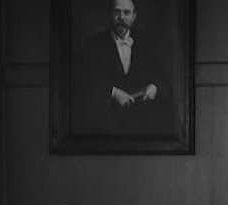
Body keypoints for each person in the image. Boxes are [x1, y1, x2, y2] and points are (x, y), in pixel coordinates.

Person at [71, 0, 173, 135]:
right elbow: (85, 81)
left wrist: (155, 87)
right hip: (106, 121)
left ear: (134, 16)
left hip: (142, 119)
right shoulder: (94, 45)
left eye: (127, 12)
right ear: (109, 14)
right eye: (116, 12)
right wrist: (113, 93)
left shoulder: (146, 42)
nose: (121, 17)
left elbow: (163, 74)